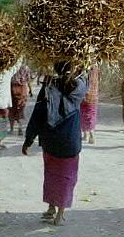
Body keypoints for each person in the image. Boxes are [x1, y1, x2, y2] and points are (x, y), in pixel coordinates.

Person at [22, 62, 88, 225]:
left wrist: (29, 139)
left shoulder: (49, 86)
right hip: (70, 141)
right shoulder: (79, 87)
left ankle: (51, 207)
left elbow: (37, 114)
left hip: (50, 140)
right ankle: (59, 214)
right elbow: (85, 78)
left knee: (51, 174)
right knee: (66, 176)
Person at [9, 62, 35, 136]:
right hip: (23, 90)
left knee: (12, 109)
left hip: (13, 89)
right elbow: (28, 80)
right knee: (20, 109)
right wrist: (30, 90)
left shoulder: (11, 67)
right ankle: (20, 129)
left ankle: (11, 129)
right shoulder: (26, 68)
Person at [80, 64, 100, 144]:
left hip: (83, 94)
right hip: (93, 95)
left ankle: (85, 134)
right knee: (91, 114)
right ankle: (91, 133)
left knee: (83, 113)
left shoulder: (82, 66)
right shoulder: (96, 68)